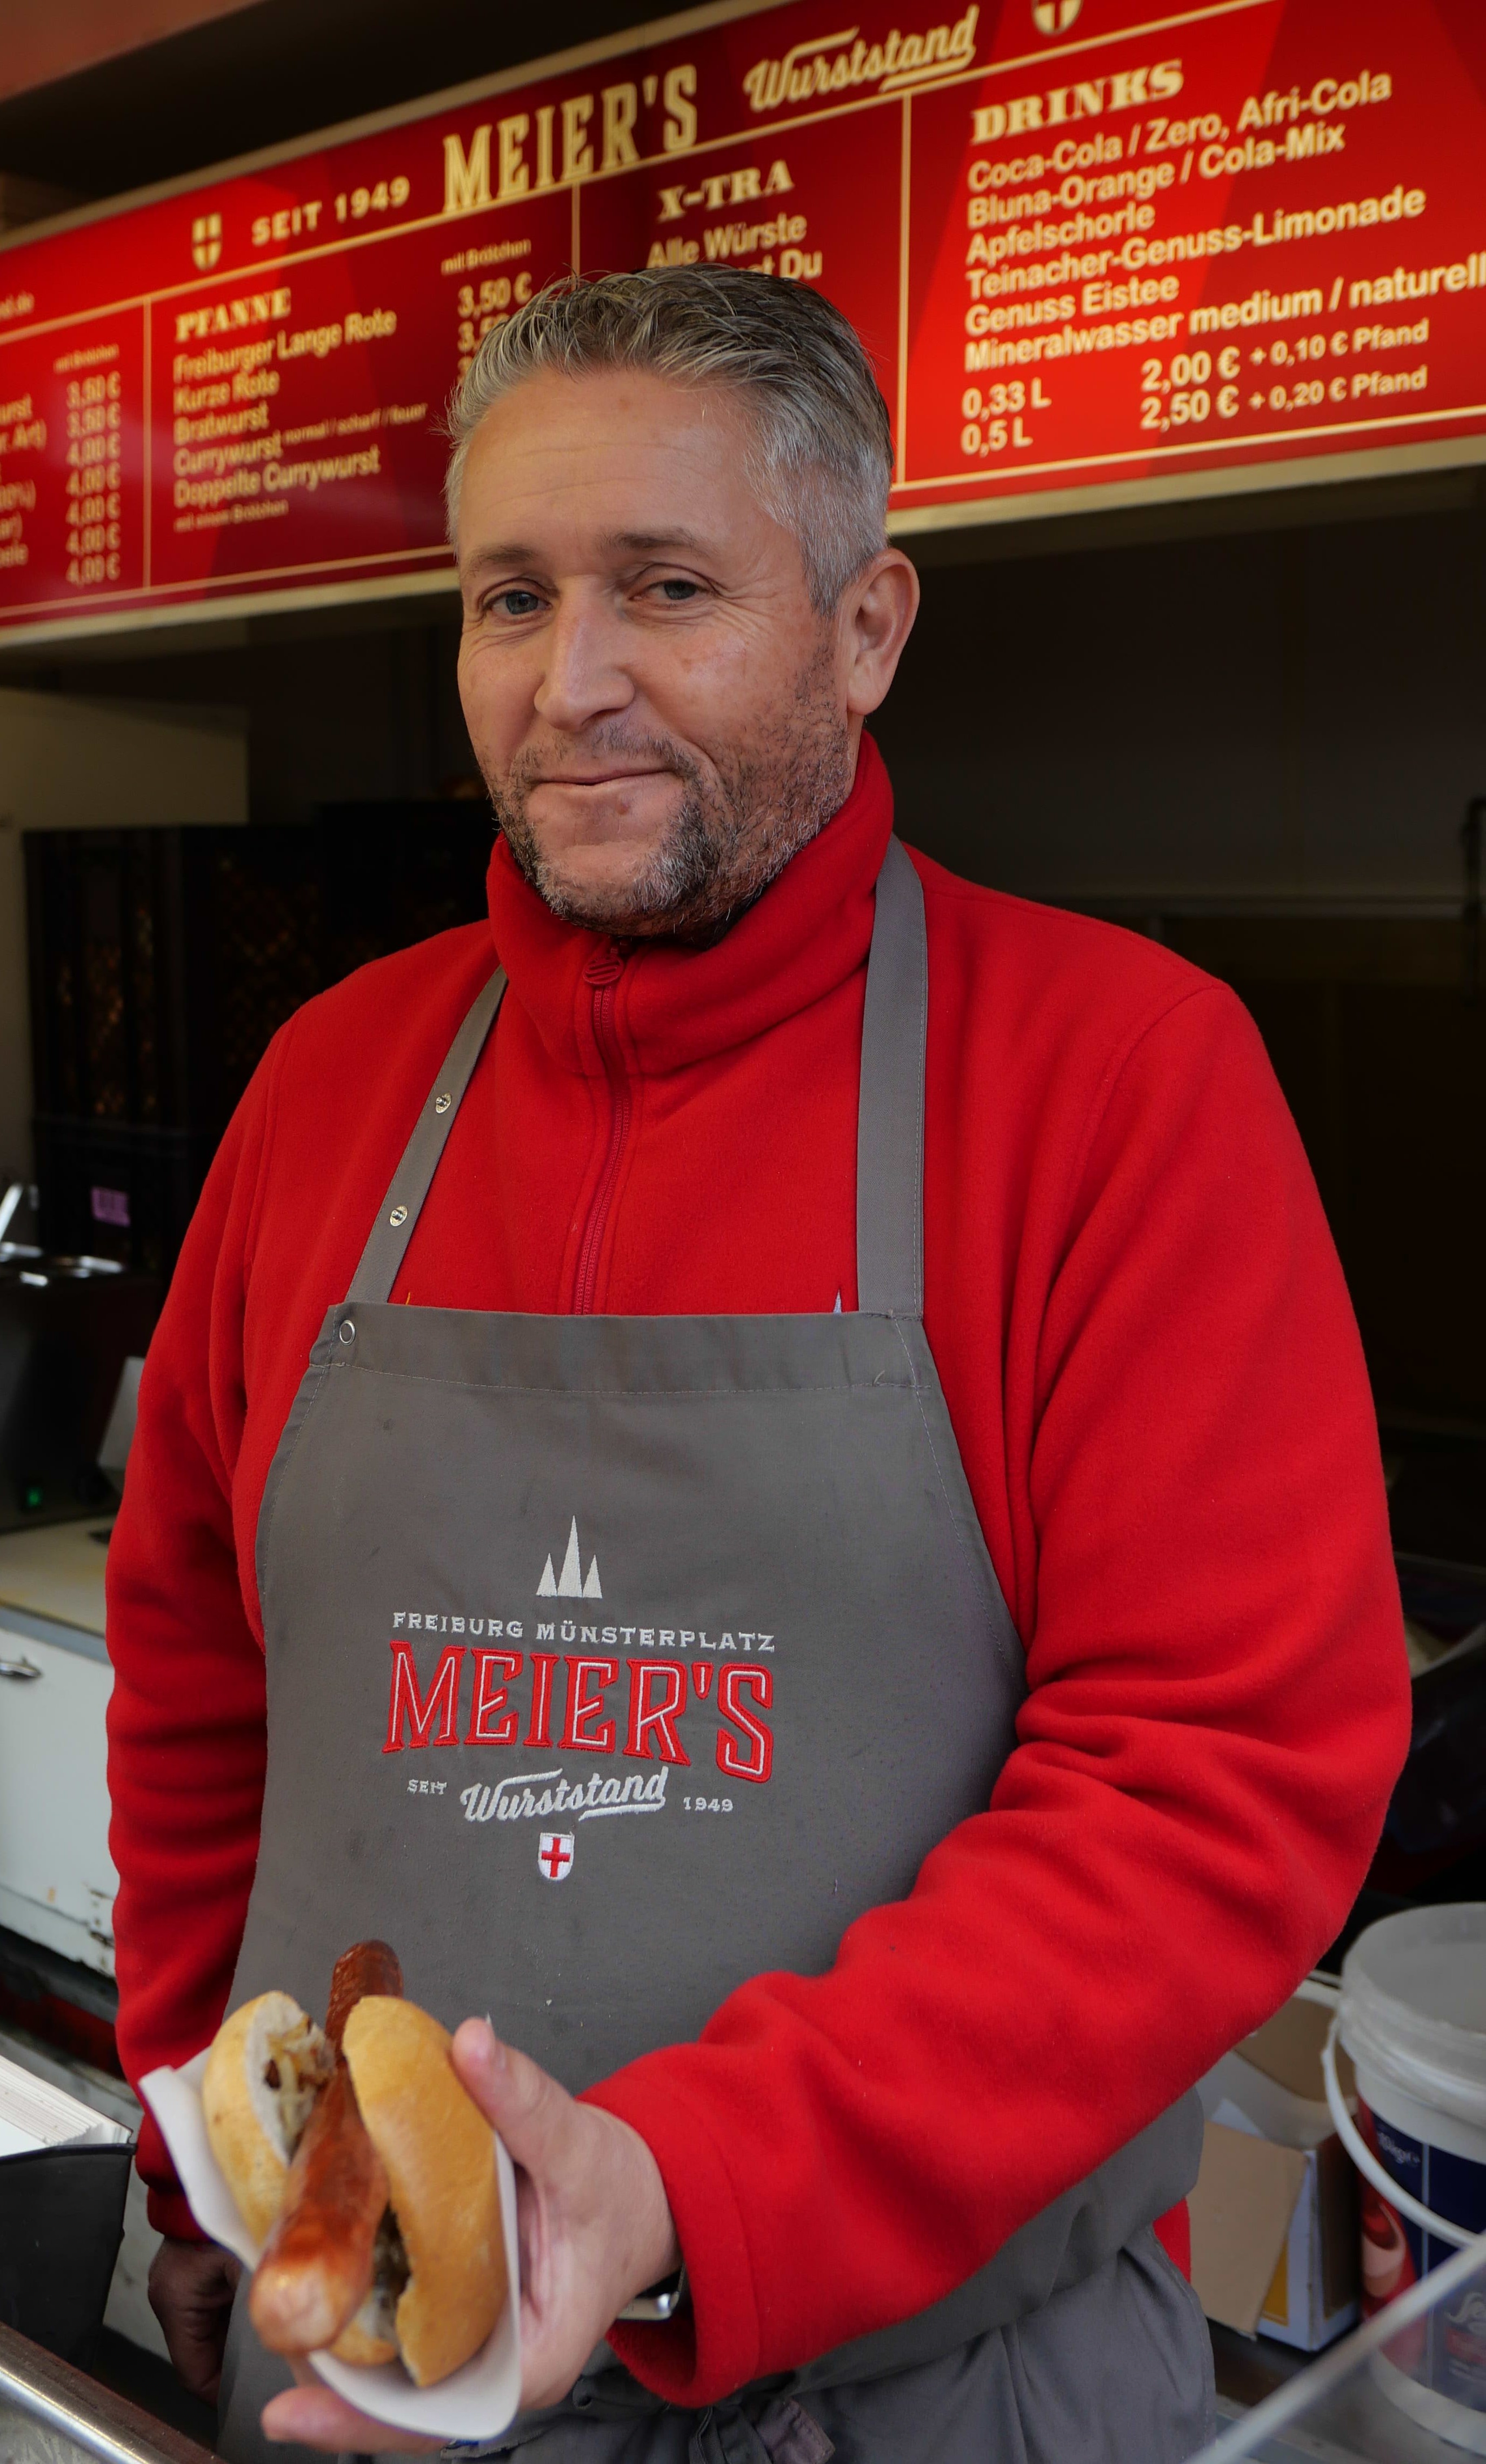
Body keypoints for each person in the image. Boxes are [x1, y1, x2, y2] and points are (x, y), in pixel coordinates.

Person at [107, 267, 1410, 2464]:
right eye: (506, 598)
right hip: (359, 2394)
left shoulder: (1114, 1083)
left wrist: (694, 2185)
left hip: (928, 2409)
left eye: (668, 588)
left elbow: (1210, 1781)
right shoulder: (330, 1084)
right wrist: (198, 2177)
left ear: (868, 625)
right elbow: (197, 1686)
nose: (570, 684)